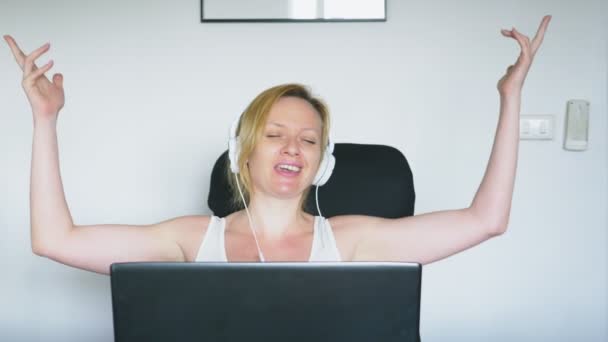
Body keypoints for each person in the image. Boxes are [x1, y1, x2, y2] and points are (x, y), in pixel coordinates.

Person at [4, 15, 551, 275]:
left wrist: (511, 98)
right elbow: (54, 239)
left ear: (322, 162)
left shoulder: (352, 240)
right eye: (275, 135)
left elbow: (487, 220)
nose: (293, 147)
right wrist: (45, 120)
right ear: (244, 152)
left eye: (308, 139)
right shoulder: (192, 240)